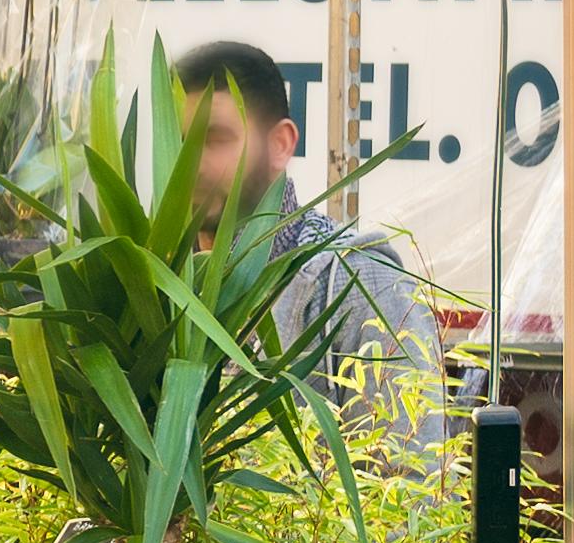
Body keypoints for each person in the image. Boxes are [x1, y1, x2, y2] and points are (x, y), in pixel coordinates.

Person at [172, 37, 445, 419]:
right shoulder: (156, 286)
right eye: (179, 142)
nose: (192, 163)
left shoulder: (359, 282)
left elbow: (411, 470)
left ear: (280, 145)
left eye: (214, 140)